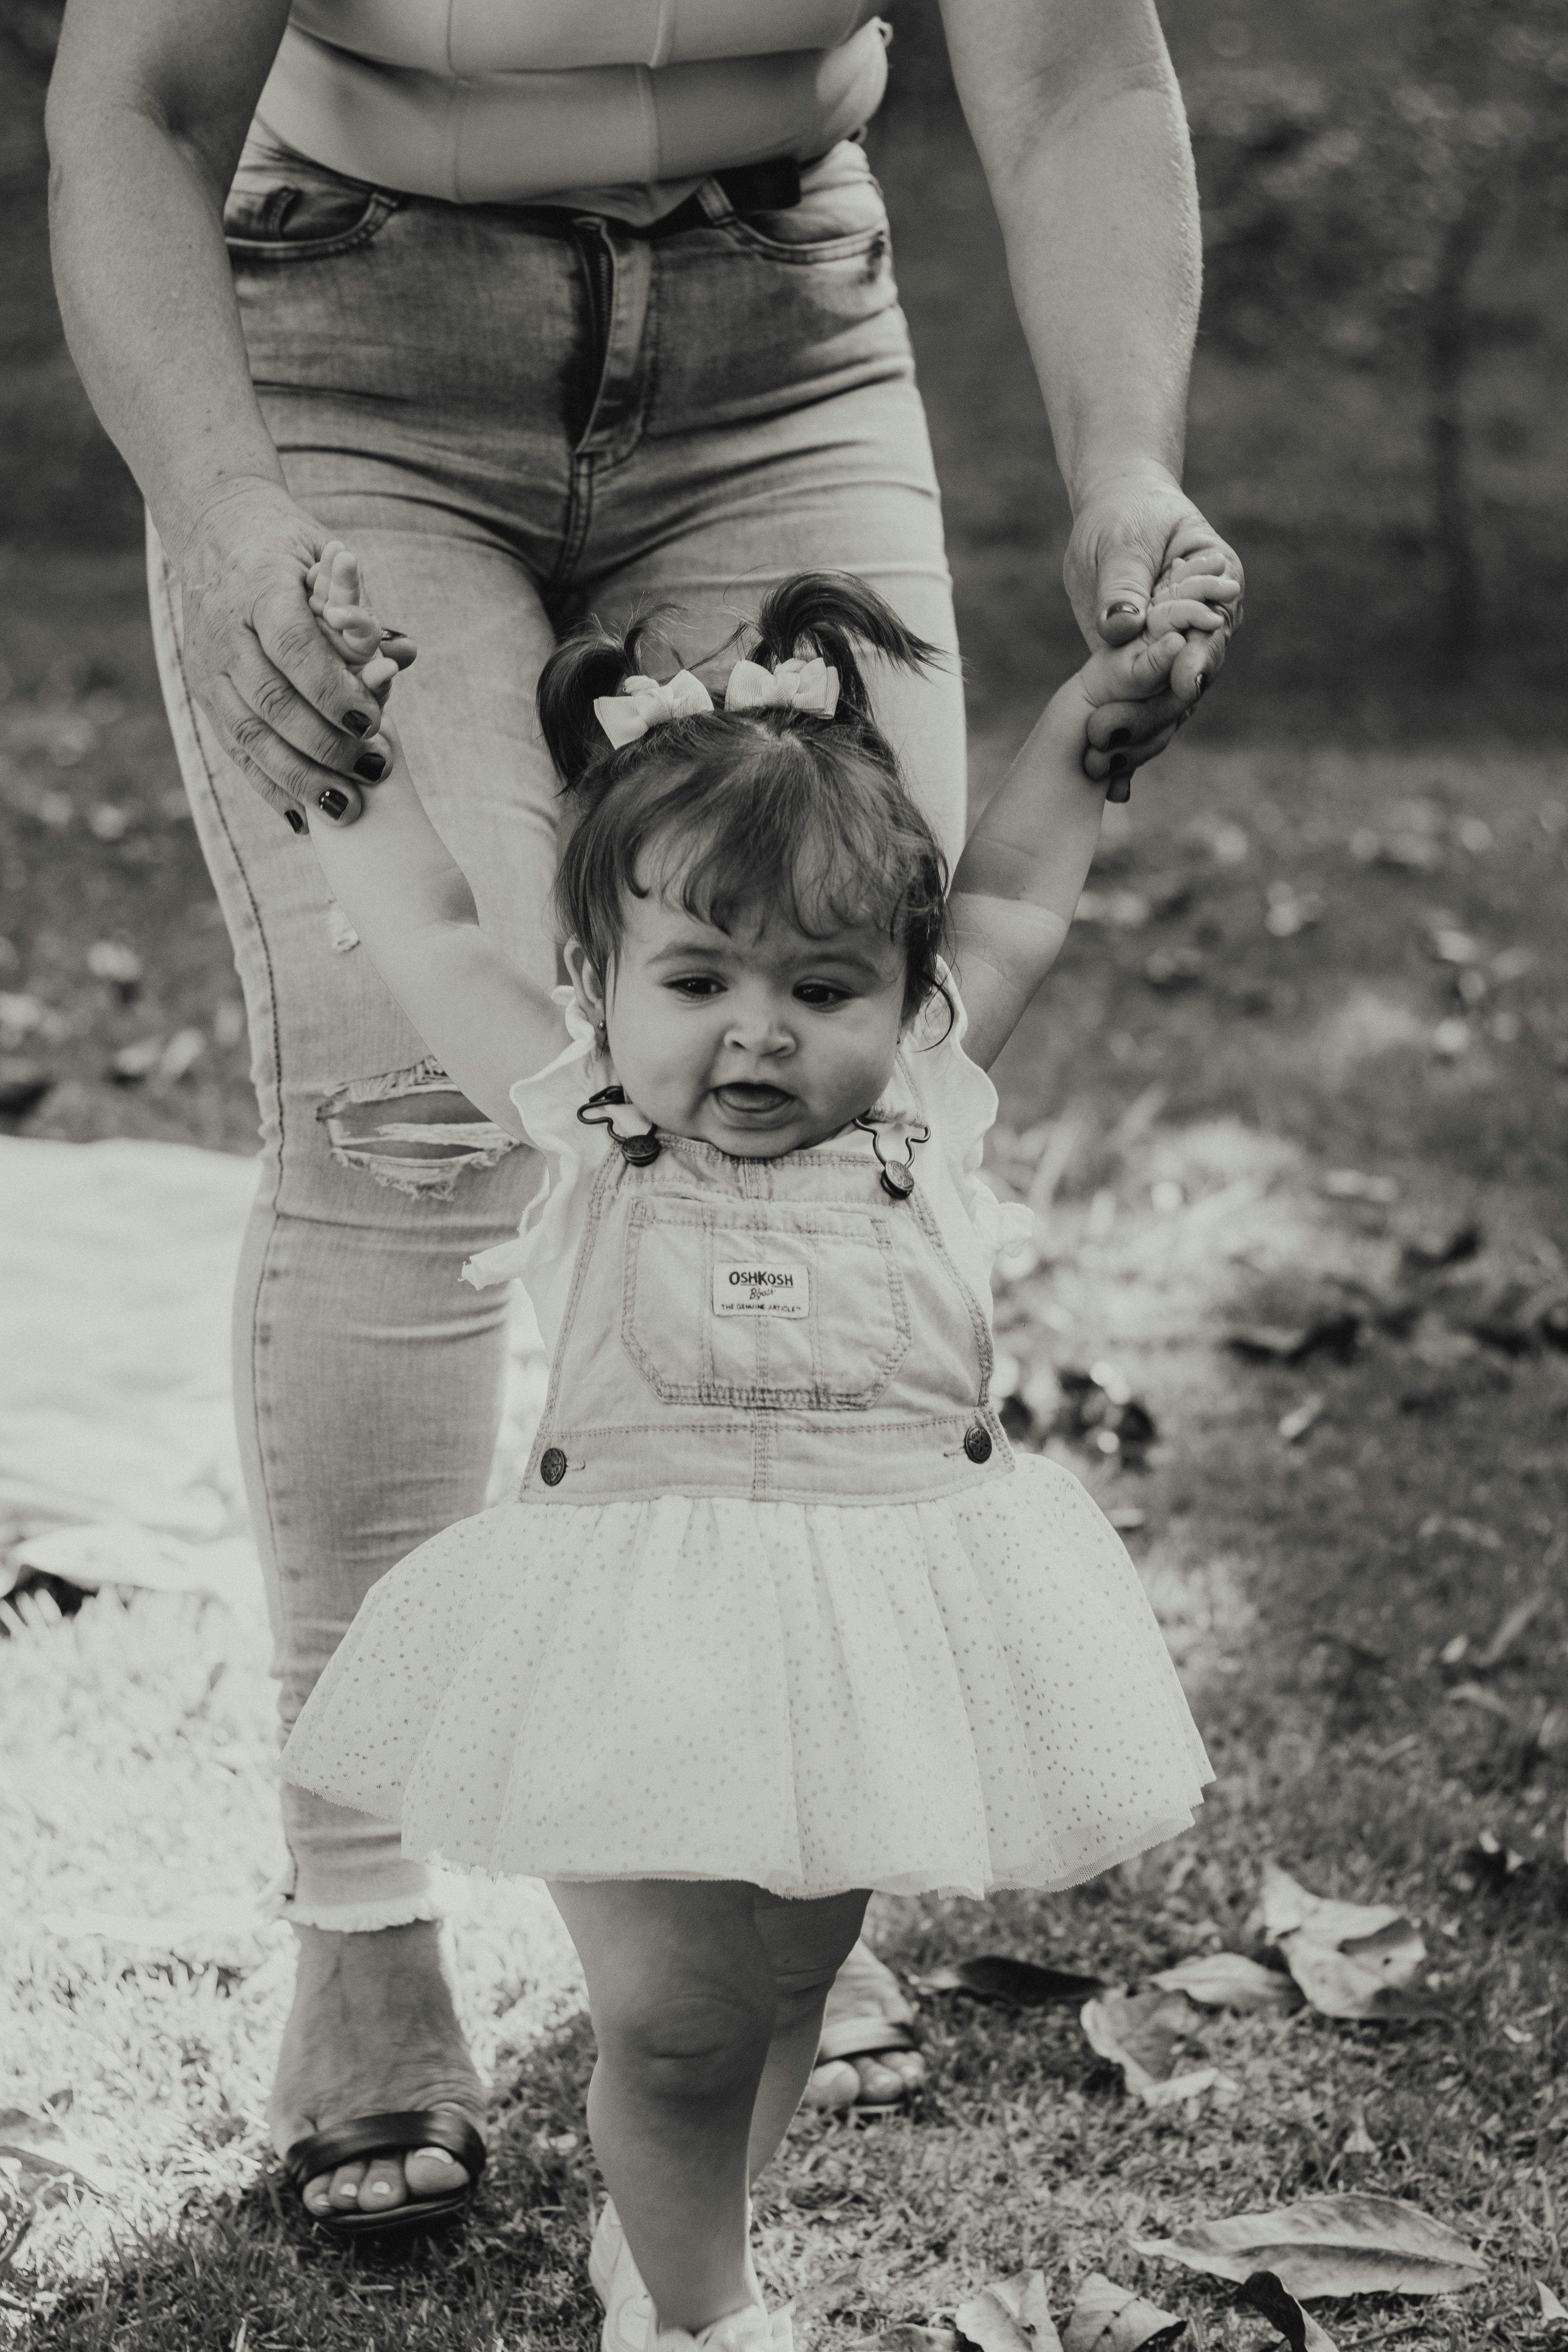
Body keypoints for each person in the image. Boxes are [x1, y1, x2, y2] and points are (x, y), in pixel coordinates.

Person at [45, 0, 1241, 2229]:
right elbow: (133, 95)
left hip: (781, 327)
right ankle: (368, 1925)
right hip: (340, 319)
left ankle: (749, 1859)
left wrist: (1125, 469)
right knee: (429, 1104)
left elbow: (1076, 69)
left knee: (820, 988)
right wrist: (220, 517)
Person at [278, 550, 1216, 2342]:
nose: (757, 1034)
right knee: (681, 2016)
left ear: (901, 995)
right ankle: (699, 2320)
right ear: (603, 984)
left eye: (822, 988)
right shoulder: (581, 1119)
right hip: (630, 1646)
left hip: (868, 1635)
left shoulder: (924, 1114)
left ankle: (667, 2223)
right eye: (698, 980)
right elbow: (426, 929)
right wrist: (348, 762)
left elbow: (1014, 889)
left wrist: (1082, 732)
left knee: (786, 1979)